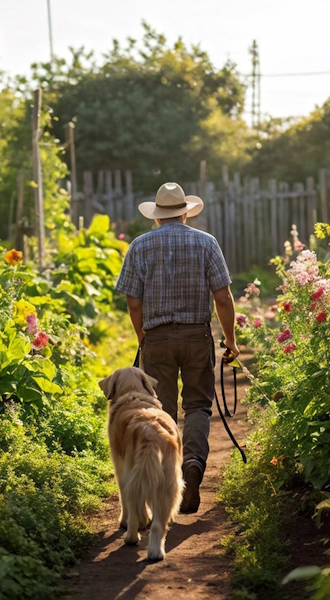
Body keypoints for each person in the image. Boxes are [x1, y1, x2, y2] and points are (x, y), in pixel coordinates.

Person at [115, 182, 239, 514]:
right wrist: (231, 341)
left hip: (157, 338)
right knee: (198, 406)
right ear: (185, 213)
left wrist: (142, 336)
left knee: (162, 413)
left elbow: (133, 302)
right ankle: (194, 464)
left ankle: (167, 483)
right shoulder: (206, 243)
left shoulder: (139, 246)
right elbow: (223, 298)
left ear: (156, 217)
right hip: (198, 336)